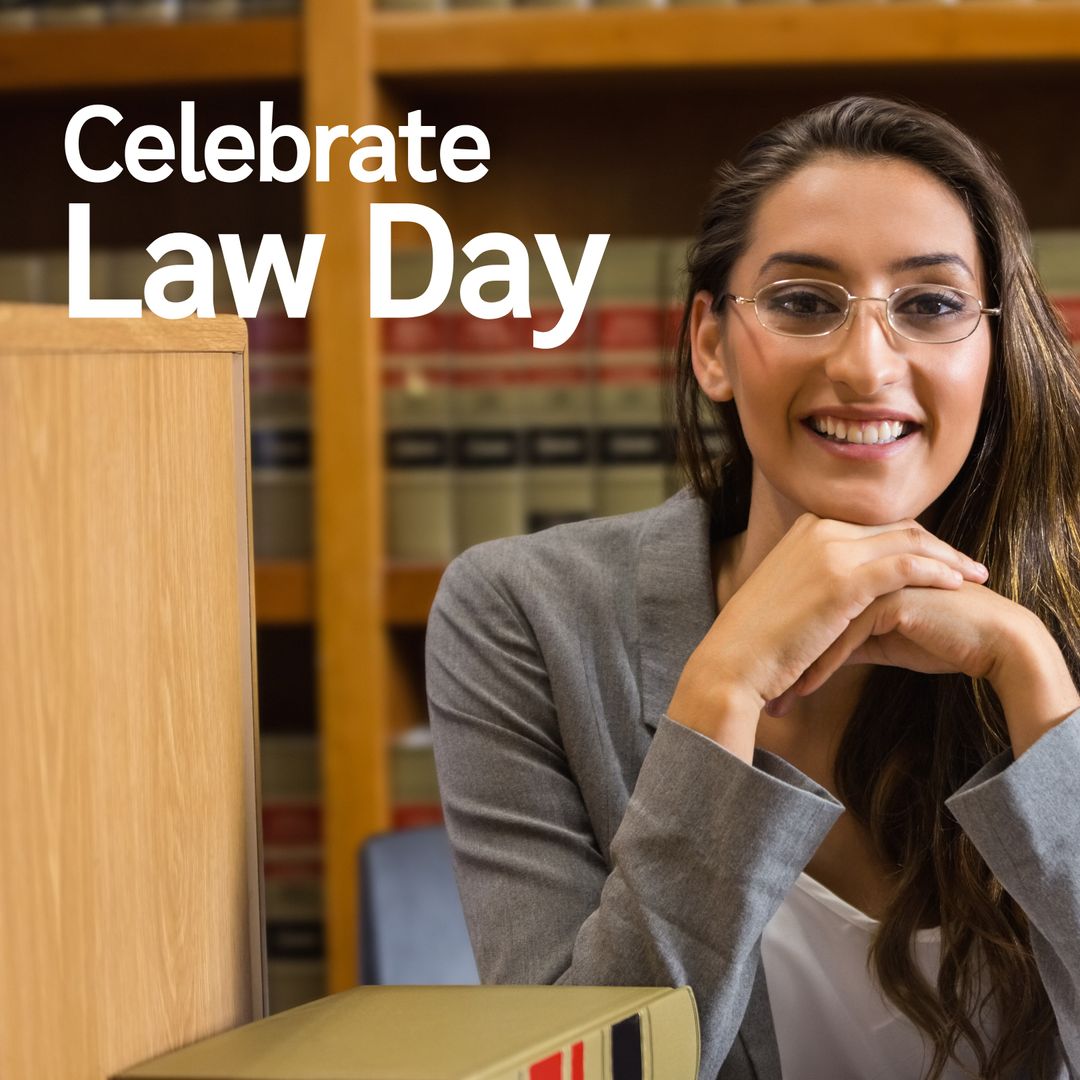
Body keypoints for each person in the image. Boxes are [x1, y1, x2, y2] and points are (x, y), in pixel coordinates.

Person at [424, 96, 1080, 1080]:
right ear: (711, 346)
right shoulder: (523, 613)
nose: (865, 364)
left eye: (932, 304)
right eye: (805, 302)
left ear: (992, 349)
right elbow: (581, 1067)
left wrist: (1038, 688)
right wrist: (720, 689)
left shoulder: (1059, 622)